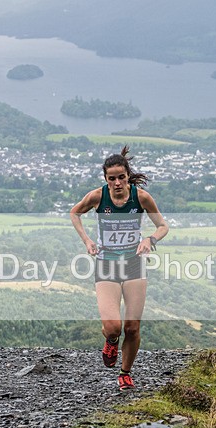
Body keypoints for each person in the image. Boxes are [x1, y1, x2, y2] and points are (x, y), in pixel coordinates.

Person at [70, 146, 169, 391]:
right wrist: (87, 241)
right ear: (105, 179)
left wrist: (150, 239)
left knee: (132, 327)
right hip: (107, 263)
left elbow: (163, 226)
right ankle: (111, 341)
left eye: (121, 177)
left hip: (134, 263)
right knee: (113, 326)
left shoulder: (141, 197)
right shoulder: (96, 197)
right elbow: (75, 213)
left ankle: (125, 373)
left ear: (127, 176)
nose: (116, 183)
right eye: (111, 178)